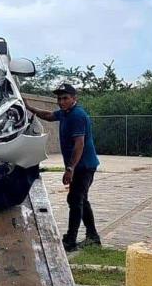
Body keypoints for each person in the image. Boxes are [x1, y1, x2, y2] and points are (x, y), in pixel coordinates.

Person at [26, 83, 100, 251]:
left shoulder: (77, 116)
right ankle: (93, 236)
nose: (61, 101)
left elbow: (79, 144)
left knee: (74, 200)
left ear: (74, 98)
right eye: (59, 98)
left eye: (65, 98)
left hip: (84, 166)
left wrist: (70, 169)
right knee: (81, 199)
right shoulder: (66, 113)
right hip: (80, 166)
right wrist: (30, 108)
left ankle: (71, 241)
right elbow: (50, 115)